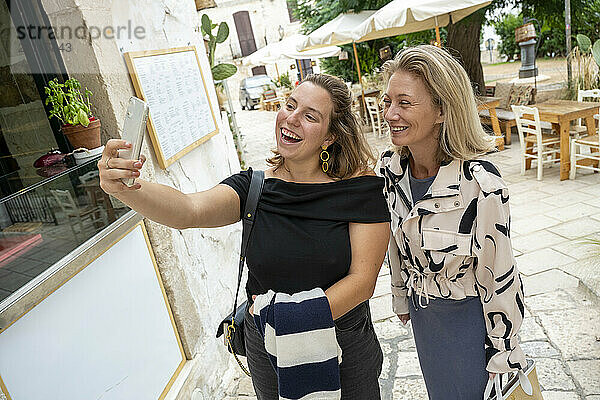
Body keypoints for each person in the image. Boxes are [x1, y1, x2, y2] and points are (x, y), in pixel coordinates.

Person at [98, 73, 390, 399]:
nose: (290, 119)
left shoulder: (359, 189)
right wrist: (126, 188)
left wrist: (285, 317)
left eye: (309, 116)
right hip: (265, 341)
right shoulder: (254, 188)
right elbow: (188, 211)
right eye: (289, 106)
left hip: (342, 338)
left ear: (330, 137)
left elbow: (363, 282)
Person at [377, 45, 527, 400]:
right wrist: (401, 298)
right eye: (387, 102)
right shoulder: (389, 170)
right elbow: (394, 245)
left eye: (405, 103)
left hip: (469, 323)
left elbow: (500, 273)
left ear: (442, 109)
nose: (390, 114)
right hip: (424, 317)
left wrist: (505, 351)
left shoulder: (482, 185)